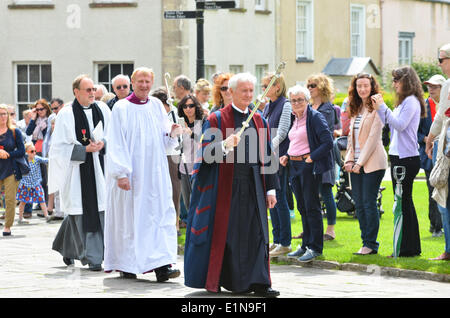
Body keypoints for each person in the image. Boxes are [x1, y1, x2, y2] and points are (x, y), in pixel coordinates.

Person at [184, 72, 280, 297]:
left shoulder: (259, 120)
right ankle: (232, 280)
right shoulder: (216, 119)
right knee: (231, 235)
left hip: (254, 184)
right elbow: (205, 155)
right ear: (232, 92)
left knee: (257, 234)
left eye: (251, 91)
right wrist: (224, 145)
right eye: (243, 91)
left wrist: (271, 189)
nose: (248, 95)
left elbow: (267, 156)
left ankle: (260, 282)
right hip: (227, 187)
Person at [104, 67, 182, 281]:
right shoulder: (121, 108)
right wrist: (121, 173)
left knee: (158, 215)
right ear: (132, 82)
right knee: (130, 218)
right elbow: (116, 142)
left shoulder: (157, 105)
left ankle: (162, 265)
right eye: (140, 81)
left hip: (155, 173)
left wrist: (173, 131)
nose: (144, 85)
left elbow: (165, 138)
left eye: (148, 81)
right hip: (132, 174)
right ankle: (127, 263)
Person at [49, 74, 111, 271]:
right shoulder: (66, 114)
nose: (93, 93)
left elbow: (113, 133)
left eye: (94, 89)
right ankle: (94, 258)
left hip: (100, 168)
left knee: (90, 210)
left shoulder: (102, 109)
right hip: (78, 172)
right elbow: (58, 148)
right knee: (82, 211)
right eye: (88, 90)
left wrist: (104, 144)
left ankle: (67, 249)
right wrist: (84, 150)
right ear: (76, 92)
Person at [372, 66, 425, 257]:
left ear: (406, 81)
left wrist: (383, 107)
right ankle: (409, 247)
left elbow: (400, 125)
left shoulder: (411, 101)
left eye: (396, 80)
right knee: (403, 202)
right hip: (399, 156)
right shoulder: (404, 102)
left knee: (403, 203)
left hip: (406, 158)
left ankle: (406, 248)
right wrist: (380, 108)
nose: (393, 84)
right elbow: (389, 123)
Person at [283, 85, 333, 262]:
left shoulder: (315, 117)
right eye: (293, 100)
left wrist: (312, 158)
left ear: (307, 100)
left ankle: (315, 247)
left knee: (312, 206)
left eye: (300, 99)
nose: (296, 103)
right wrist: (287, 156)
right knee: (302, 207)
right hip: (294, 165)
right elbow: (296, 141)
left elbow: (328, 142)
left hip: (308, 166)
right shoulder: (294, 118)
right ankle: (305, 244)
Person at [344, 73, 387, 255]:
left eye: (366, 86)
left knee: (369, 203)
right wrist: (348, 159)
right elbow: (351, 138)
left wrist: (359, 163)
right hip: (355, 164)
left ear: (372, 87)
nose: (362, 89)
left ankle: (371, 244)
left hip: (373, 163)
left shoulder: (376, 107)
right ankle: (365, 242)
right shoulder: (355, 107)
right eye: (359, 86)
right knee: (359, 204)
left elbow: (373, 138)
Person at [260, 72, 292, 257]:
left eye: (266, 86)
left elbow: (282, 132)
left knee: (279, 199)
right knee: (271, 199)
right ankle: (277, 239)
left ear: (277, 87)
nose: (263, 89)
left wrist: (267, 148)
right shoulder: (268, 106)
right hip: (269, 157)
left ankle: (285, 241)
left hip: (278, 157)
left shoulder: (285, 105)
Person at [426, 43, 450, 261]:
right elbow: (441, 117)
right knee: (443, 199)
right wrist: (432, 139)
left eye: (441, 60)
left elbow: (442, 117)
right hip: (446, 150)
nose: (439, 63)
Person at [306, 74, 338, 241]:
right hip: (308, 154)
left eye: (313, 85)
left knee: (326, 191)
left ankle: (330, 229)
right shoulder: (309, 107)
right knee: (310, 193)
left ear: (322, 88)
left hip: (323, 154)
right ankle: (311, 228)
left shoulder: (327, 109)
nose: (310, 88)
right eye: (309, 85)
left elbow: (324, 134)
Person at [152, 87, 184, 233]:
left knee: (174, 190)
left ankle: (174, 225)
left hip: (172, 156)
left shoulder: (174, 113)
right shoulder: (152, 115)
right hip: (156, 155)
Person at [418, 75, 446, 237]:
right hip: (429, 156)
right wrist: (428, 139)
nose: (431, 89)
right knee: (432, 192)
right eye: (429, 86)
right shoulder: (424, 106)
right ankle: (435, 226)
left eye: (435, 86)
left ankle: (441, 225)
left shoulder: (446, 106)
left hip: (445, 155)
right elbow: (416, 132)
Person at [0, 104, 25, 236]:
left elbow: (22, 151)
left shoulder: (15, 131)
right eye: (0, 114)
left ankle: (7, 226)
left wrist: (7, 154)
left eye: (5, 114)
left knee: (10, 199)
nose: (3, 116)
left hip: (11, 169)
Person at [177, 95, 205, 211]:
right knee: (188, 204)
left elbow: (205, 141)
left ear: (196, 107)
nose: (188, 109)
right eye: (185, 106)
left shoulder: (202, 122)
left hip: (197, 169)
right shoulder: (180, 124)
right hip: (184, 169)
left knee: (197, 203)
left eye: (191, 106)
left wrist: (192, 134)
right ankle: (190, 226)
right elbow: (179, 147)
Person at [26, 99, 52, 217]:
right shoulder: (36, 120)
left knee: (45, 177)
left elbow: (48, 133)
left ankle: (45, 202)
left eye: (41, 109)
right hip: (35, 149)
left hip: (45, 148)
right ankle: (39, 201)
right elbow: (28, 132)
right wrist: (33, 118)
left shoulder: (50, 119)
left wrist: (43, 125)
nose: (40, 111)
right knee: (36, 177)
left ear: (46, 109)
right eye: (37, 109)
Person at [16, 142, 51, 224]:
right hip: (26, 184)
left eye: (35, 151)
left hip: (36, 183)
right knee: (23, 201)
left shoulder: (37, 159)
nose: (34, 153)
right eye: (32, 151)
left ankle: (46, 216)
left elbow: (45, 160)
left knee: (41, 199)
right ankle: (20, 218)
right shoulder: (23, 160)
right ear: (26, 152)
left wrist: (53, 159)